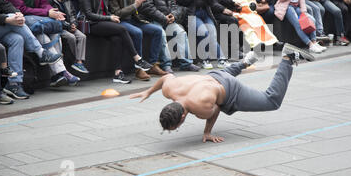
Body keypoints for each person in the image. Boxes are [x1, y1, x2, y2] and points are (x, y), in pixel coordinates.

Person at [129, 46, 305, 141]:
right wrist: (149, 92)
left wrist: (207, 132)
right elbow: (166, 77)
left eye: (177, 126)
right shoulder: (170, 89)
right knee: (216, 80)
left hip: (230, 89)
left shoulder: (201, 107)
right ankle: (245, 62)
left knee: (271, 101)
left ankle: (287, 59)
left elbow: (218, 108)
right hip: (213, 76)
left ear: (182, 116)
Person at [6, 0, 80, 87]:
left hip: (38, 21)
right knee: (43, 37)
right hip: (20, 23)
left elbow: (45, 4)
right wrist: (46, 12)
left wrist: (53, 12)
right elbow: (22, 9)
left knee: (55, 32)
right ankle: (62, 72)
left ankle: (57, 74)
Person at [80, 0, 153, 83]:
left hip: (104, 23)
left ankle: (117, 73)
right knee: (122, 29)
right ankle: (137, 59)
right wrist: (110, 18)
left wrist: (110, 17)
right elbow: (89, 14)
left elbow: (106, 10)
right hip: (92, 24)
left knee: (117, 39)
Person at [0, 0, 62, 100]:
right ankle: (40, 52)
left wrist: (17, 13)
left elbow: (5, 4)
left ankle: (14, 84)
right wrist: (7, 19)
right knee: (13, 19)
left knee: (17, 39)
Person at [108, 0, 169, 78]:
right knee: (138, 32)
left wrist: (140, 4)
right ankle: (139, 69)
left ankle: (152, 65)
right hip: (120, 21)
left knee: (157, 30)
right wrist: (136, 4)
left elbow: (136, 4)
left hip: (134, 19)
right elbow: (117, 13)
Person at [137, 0, 201, 72]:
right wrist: (164, 18)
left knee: (181, 32)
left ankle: (186, 63)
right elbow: (148, 9)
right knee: (161, 34)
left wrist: (173, 16)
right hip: (150, 20)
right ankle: (166, 64)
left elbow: (174, 5)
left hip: (166, 19)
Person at [173, 0, 230, 69]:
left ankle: (222, 59)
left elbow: (212, 1)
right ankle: (205, 59)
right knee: (204, 33)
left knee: (212, 33)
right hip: (191, 14)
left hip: (205, 13)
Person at [46, 0, 89, 74]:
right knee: (71, 37)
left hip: (70, 25)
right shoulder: (50, 1)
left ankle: (79, 61)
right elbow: (55, 18)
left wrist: (74, 24)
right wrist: (68, 26)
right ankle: (74, 58)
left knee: (82, 36)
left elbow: (73, 14)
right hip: (59, 27)